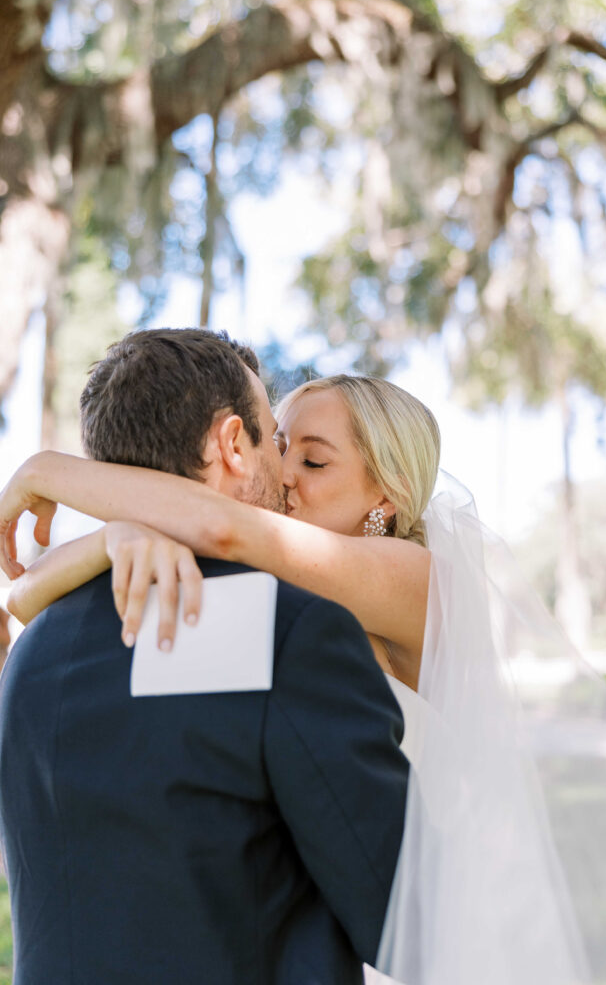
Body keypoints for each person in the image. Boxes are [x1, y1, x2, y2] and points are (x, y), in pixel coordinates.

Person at [3, 336, 606, 984]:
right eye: (281, 447)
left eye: (314, 461)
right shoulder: (272, 608)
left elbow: (219, 525)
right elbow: (30, 597)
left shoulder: (414, 579)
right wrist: (109, 540)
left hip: (449, 922)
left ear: (384, 499)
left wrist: (46, 472)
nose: (286, 479)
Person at [0, 328, 409, 985]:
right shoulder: (287, 632)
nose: (283, 470)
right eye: (271, 439)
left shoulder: (37, 647)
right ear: (230, 444)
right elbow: (404, 918)